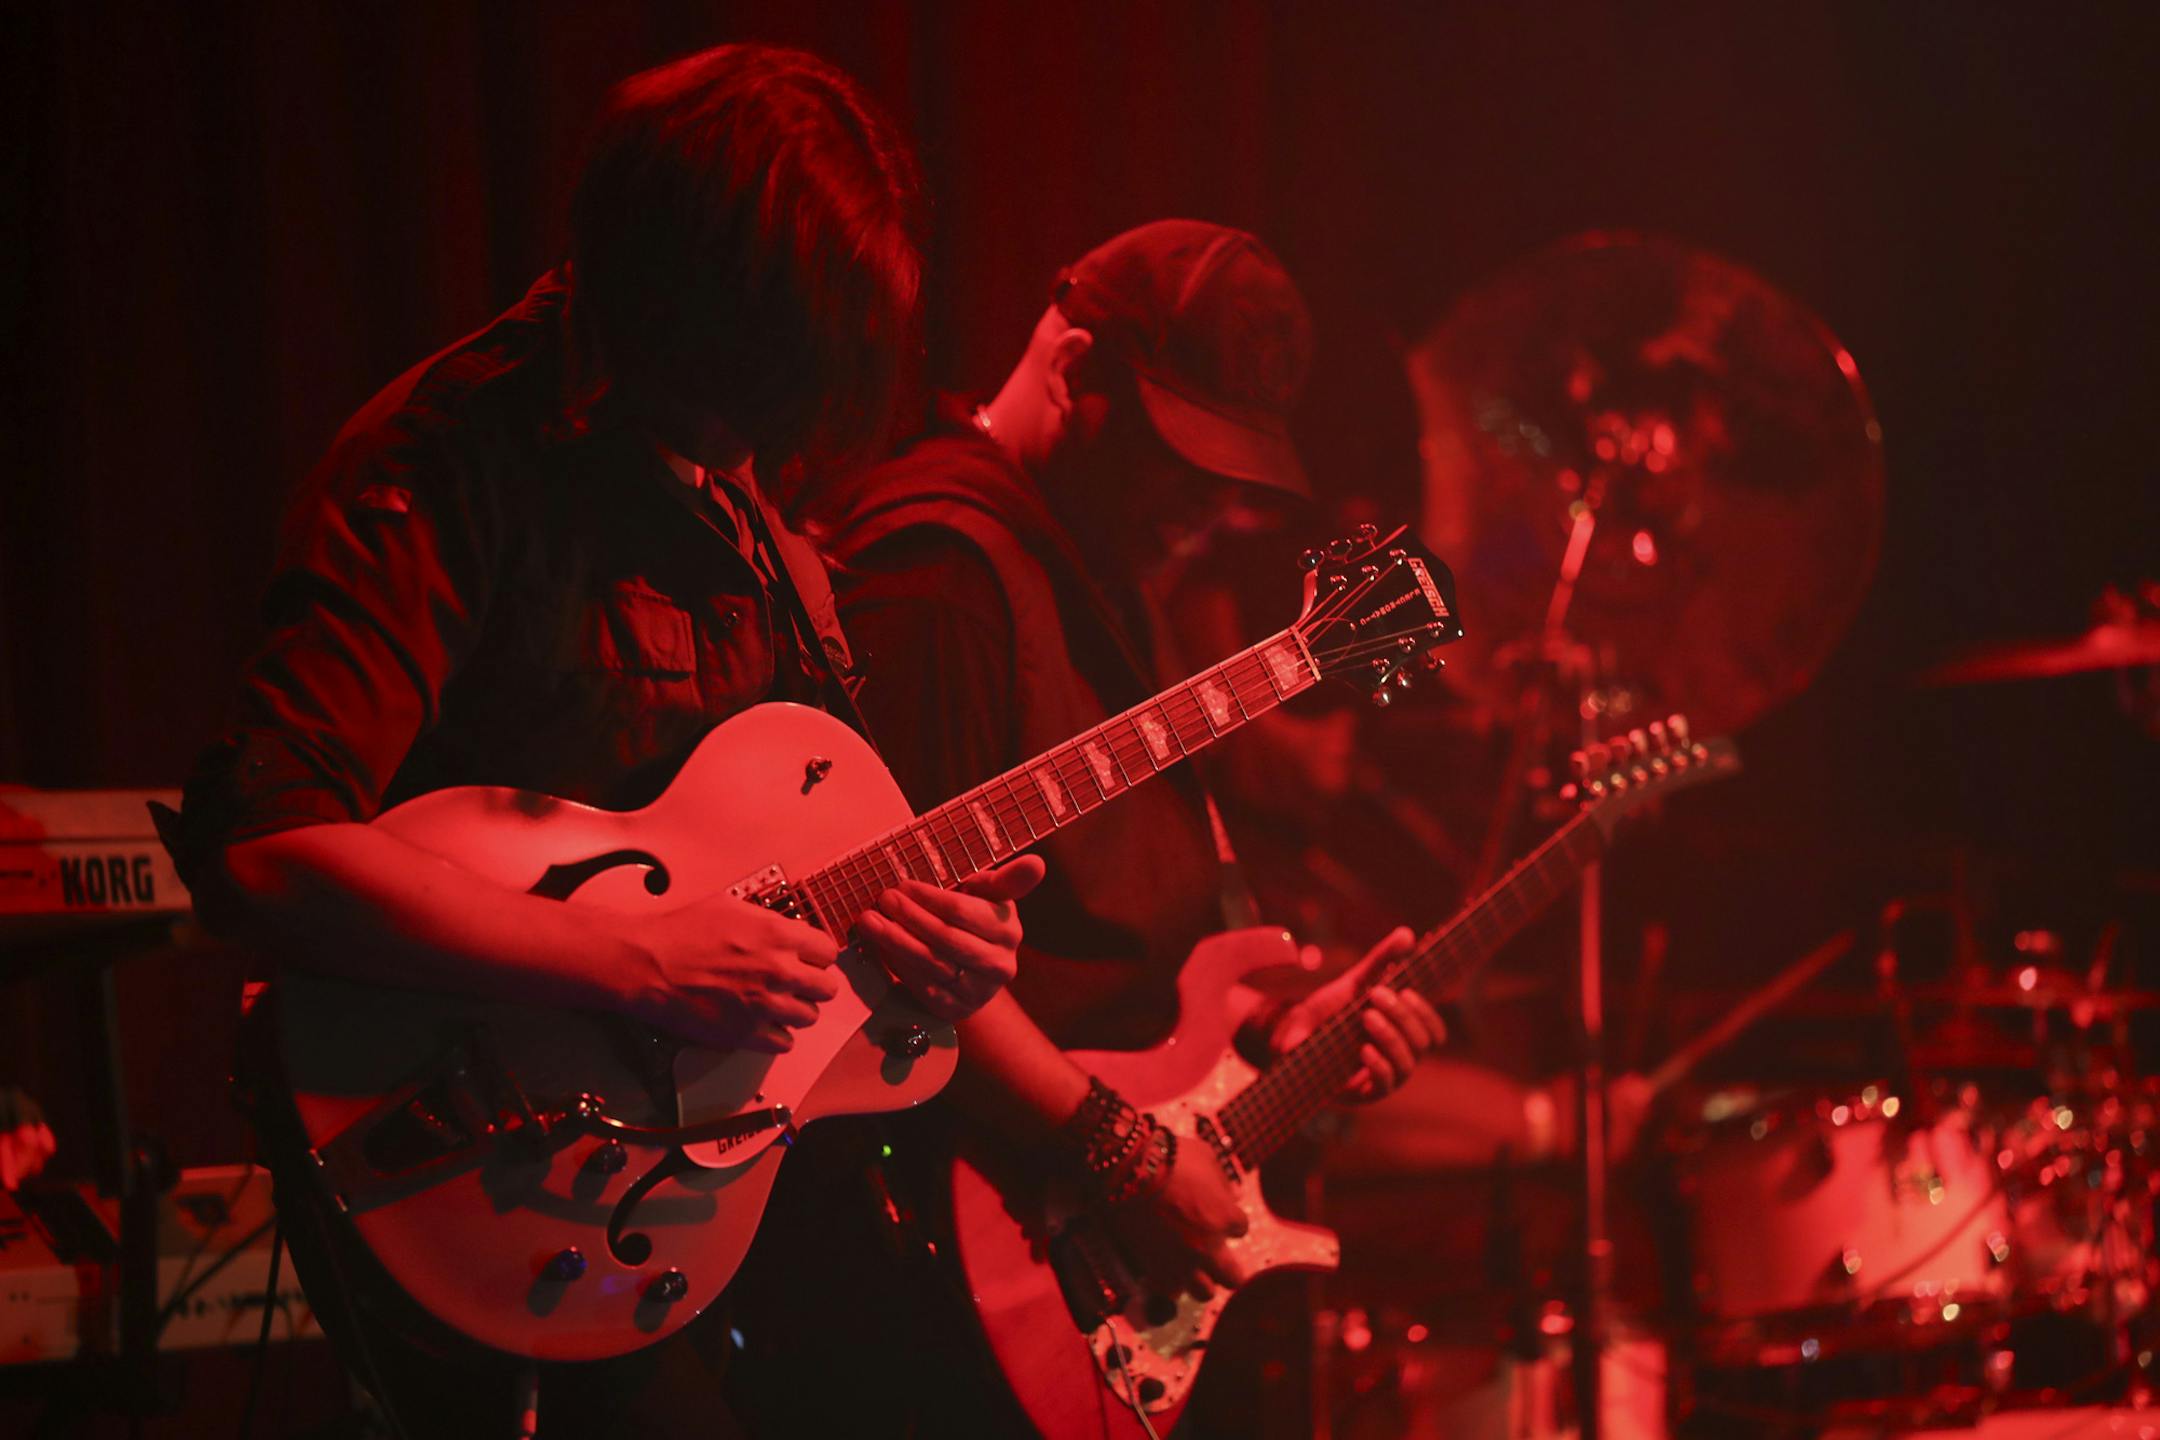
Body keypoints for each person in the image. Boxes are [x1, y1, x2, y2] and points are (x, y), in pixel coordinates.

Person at [160, 43, 1040, 1439]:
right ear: (683, 298)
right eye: (755, 373)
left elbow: (769, 885)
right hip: (488, 1163)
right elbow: (261, 846)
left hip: (704, 1180)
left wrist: (938, 957)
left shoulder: (751, 504)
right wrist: (632, 959)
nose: (769, 426)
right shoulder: (452, 460)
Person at [732, 221, 1447, 1433]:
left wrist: (1284, 1033)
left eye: (1237, 473)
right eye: (1183, 456)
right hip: (958, 1260)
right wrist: (1118, 1156)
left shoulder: (1101, 577)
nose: (1214, 507)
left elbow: (1124, 943)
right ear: (1072, 371)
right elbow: (884, 951)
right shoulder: (943, 582)